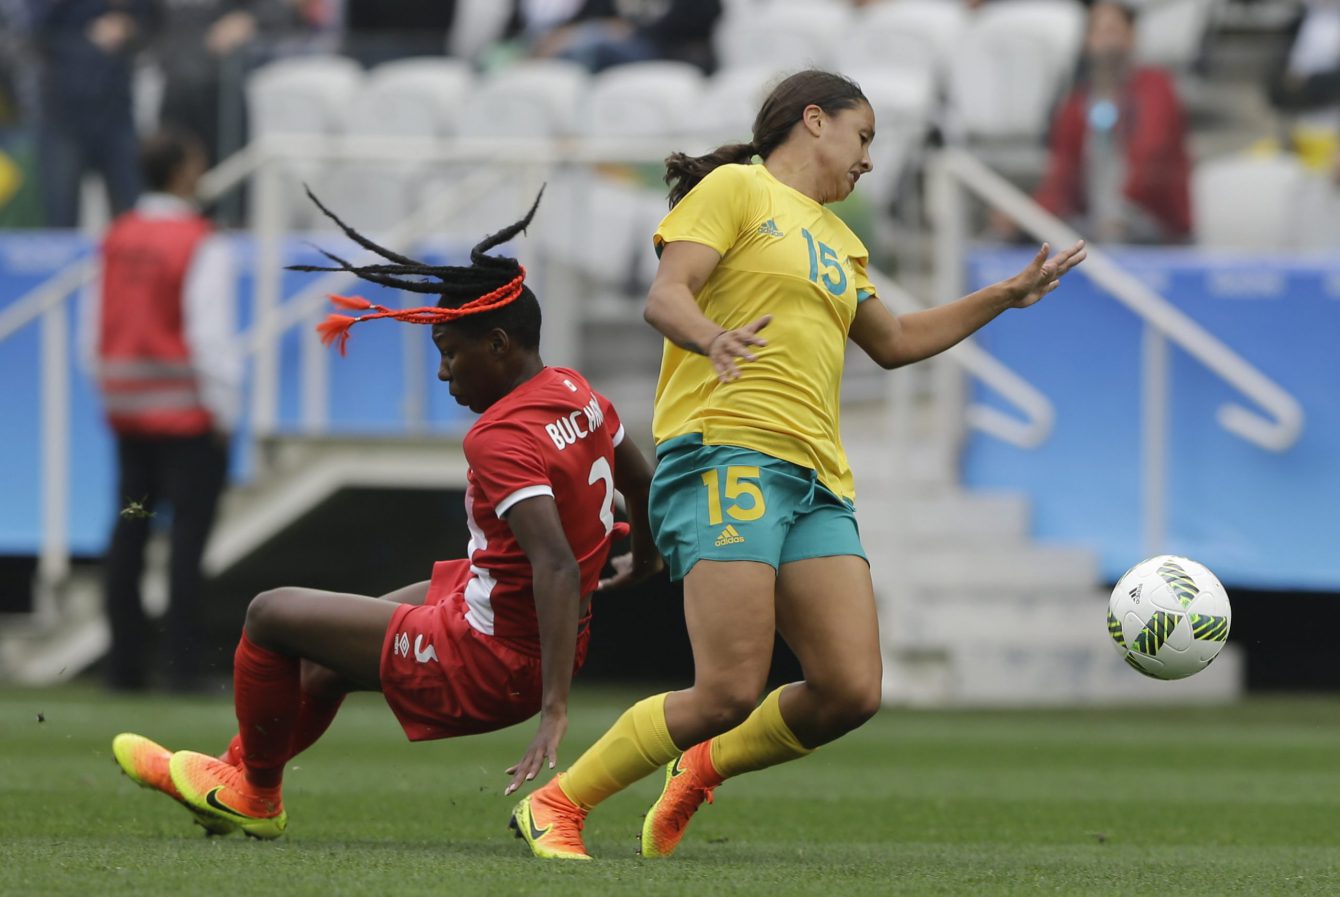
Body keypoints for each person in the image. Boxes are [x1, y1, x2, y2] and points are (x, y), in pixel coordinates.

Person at [510, 69, 1086, 861]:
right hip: (726, 448)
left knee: (851, 690)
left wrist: (1001, 296)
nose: (870, 160)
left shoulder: (841, 239)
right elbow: (665, 296)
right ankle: (557, 801)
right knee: (728, 688)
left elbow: (896, 342)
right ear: (815, 121)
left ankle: (702, 767)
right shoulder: (736, 190)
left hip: (816, 477)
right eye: (865, 136)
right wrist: (711, 338)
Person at [109, 187, 662, 838]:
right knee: (321, 659)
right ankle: (234, 779)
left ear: (499, 344)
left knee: (269, 613)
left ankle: (253, 792)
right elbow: (640, 476)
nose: (444, 373)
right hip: (525, 627)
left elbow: (557, 564)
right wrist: (646, 559)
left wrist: (554, 711)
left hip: (490, 659)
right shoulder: (576, 389)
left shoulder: (499, 437)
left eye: (450, 352)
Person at [82, 129, 241, 692]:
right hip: (187, 416)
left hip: (129, 412)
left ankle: (123, 666)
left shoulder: (119, 235)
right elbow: (208, 337)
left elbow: (93, 324)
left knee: (130, 528)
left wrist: (107, 386)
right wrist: (223, 411)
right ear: (181, 172)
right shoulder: (202, 241)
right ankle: (182, 667)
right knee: (186, 541)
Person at [1019, 1, 1192, 244]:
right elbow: (1062, 177)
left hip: (1155, 226)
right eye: (1099, 33)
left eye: (1114, 31)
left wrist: (1122, 207)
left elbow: (1151, 153)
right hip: (1093, 227)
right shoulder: (1075, 105)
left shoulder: (1156, 88)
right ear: (1087, 42)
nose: (1107, 43)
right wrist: (1023, 216)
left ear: (1132, 37)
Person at [32, 0, 158, 227]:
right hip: (63, 115)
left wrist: (127, 25)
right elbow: (35, 31)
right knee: (61, 215)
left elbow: (152, 25)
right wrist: (89, 38)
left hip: (116, 113)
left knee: (131, 214)